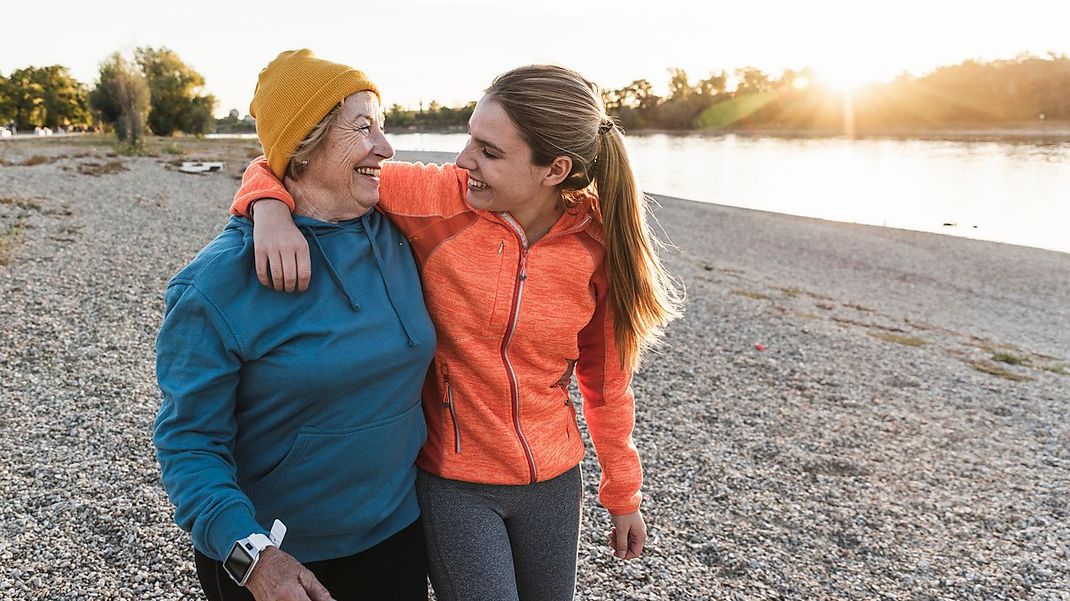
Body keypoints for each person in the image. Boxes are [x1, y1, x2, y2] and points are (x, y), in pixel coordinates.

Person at [232, 62, 684, 601]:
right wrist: (268, 210)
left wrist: (623, 491)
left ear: (554, 170)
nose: (464, 160)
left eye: (490, 152)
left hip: (556, 482)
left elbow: (606, 383)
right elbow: (297, 165)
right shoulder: (438, 199)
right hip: (455, 481)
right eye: (471, 138)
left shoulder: (596, 243)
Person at [153, 50, 436, 601]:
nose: (386, 147)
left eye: (383, 126)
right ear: (305, 147)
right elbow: (189, 444)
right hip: (278, 561)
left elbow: (508, 183)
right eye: (363, 129)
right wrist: (251, 557)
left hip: (397, 535)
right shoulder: (216, 286)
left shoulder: (404, 230)